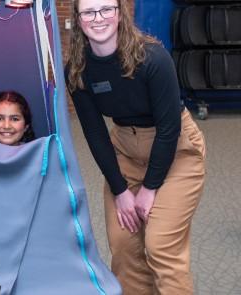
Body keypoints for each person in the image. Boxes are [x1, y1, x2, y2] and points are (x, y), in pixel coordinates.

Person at [65, 0, 206, 294]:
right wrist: (120, 191)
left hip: (176, 150)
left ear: (119, 13)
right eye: (89, 12)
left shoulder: (152, 57)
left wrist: (150, 188)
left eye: (106, 9)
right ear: (78, 20)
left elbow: (169, 129)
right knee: (124, 246)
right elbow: (95, 133)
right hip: (126, 152)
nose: (98, 18)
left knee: (161, 245)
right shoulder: (78, 69)